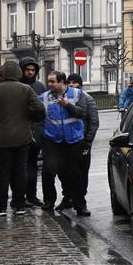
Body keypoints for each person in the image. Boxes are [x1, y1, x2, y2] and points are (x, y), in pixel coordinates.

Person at [0, 61, 46, 217]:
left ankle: (1, 206)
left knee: (3, 173)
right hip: (23, 137)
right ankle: (19, 204)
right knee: (21, 171)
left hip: (2, 138)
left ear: (2, 74)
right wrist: (29, 117)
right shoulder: (26, 89)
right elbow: (40, 109)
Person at [40, 71, 90, 216]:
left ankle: (80, 205)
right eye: (48, 82)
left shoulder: (77, 94)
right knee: (48, 171)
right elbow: (37, 116)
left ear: (62, 82)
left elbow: (82, 113)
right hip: (53, 140)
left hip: (73, 140)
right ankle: (49, 201)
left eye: (52, 82)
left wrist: (68, 105)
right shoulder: (44, 97)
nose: (49, 85)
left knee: (75, 174)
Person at [60, 73, 99, 210]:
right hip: (65, 142)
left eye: (74, 82)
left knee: (81, 173)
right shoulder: (62, 98)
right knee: (64, 172)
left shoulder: (87, 99)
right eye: (69, 82)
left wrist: (87, 142)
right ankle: (67, 197)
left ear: (80, 85)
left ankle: (80, 201)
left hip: (81, 142)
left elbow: (93, 122)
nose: (71, 85)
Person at [19, 56, 47, 208]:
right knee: (20, 167)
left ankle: (32, 195)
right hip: (21, 132)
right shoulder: (17, 85)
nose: (30, 72)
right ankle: (20, 196)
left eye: (33, 70)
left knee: (32, 167)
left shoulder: (40, 86)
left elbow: (42, 110)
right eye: (27, 70)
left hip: (36, 133)